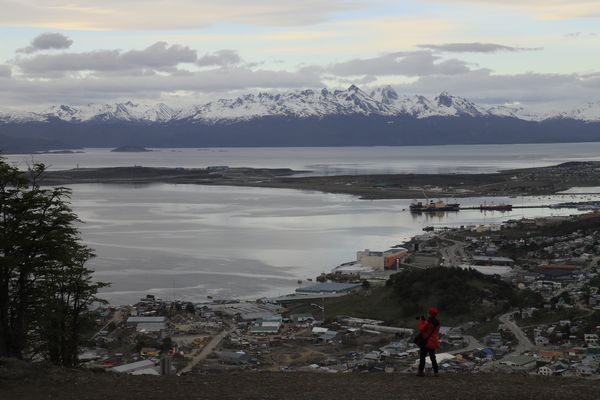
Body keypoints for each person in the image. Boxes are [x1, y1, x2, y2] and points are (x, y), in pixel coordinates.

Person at [416, 306, 441, 377]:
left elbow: (421, 329)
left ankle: (420, 372)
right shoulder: (438, 322)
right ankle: (436, 372)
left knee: (422, 357)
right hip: (433, 342)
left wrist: (422, 321)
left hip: (426, 342)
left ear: (429, 314)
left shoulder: (427, 322)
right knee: (433, 357)